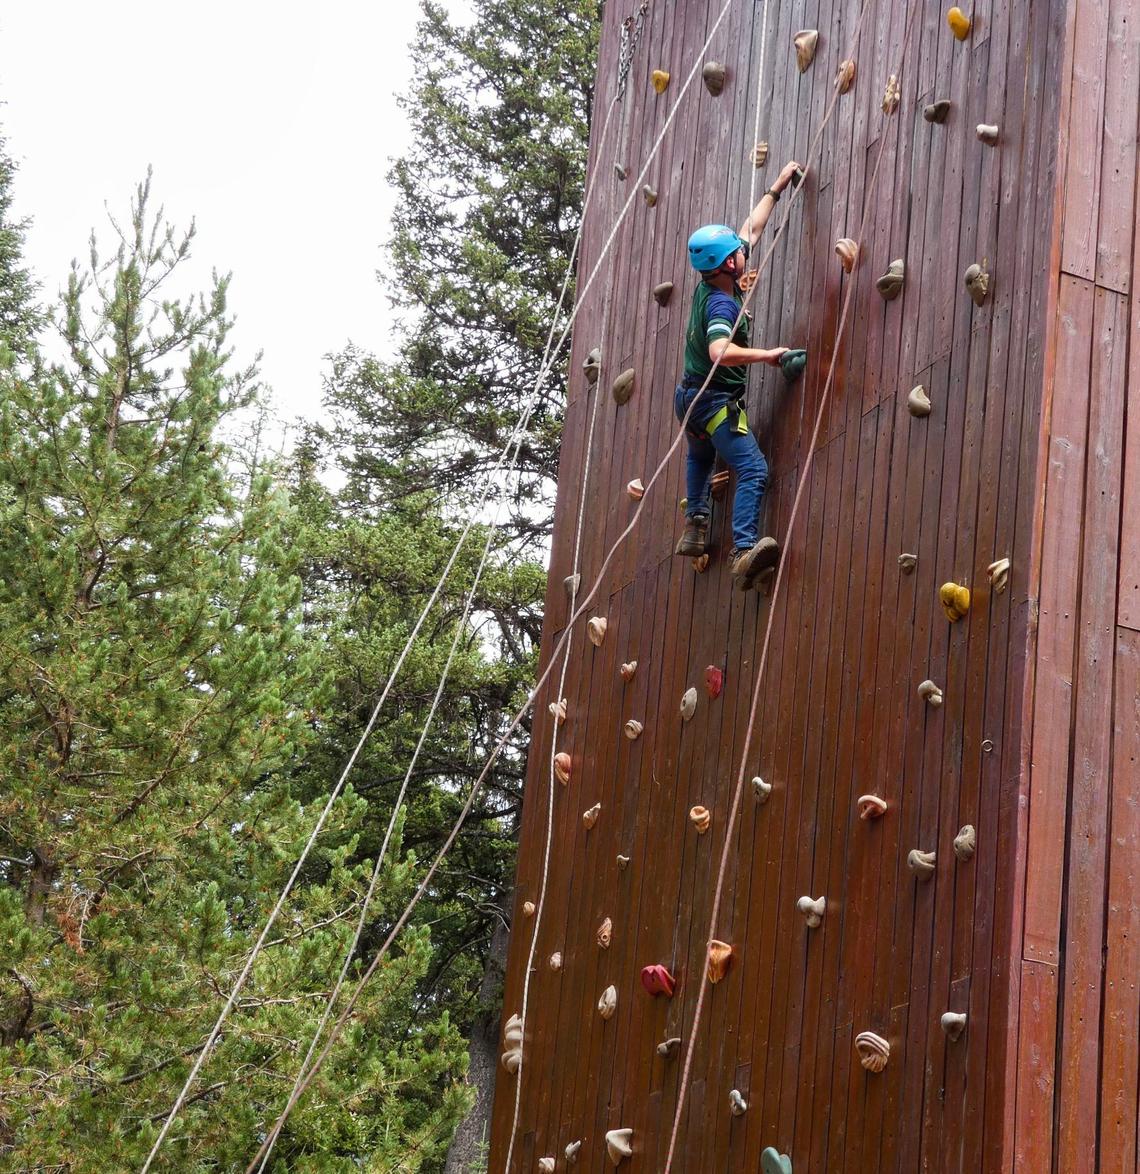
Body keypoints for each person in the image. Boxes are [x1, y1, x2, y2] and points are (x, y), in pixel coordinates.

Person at [674, 159, 802, 590]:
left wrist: (776, 187)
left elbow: (751, 228)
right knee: (753, 469)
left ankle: (696, 523)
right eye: (738, 252)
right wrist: (767, 356)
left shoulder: (713, 282)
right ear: (729, 264)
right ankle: (743, 549)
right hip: (713, 405)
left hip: (688, 402)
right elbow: (718, 351)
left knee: (699, 456)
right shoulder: (721, 305)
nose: (745, 250)